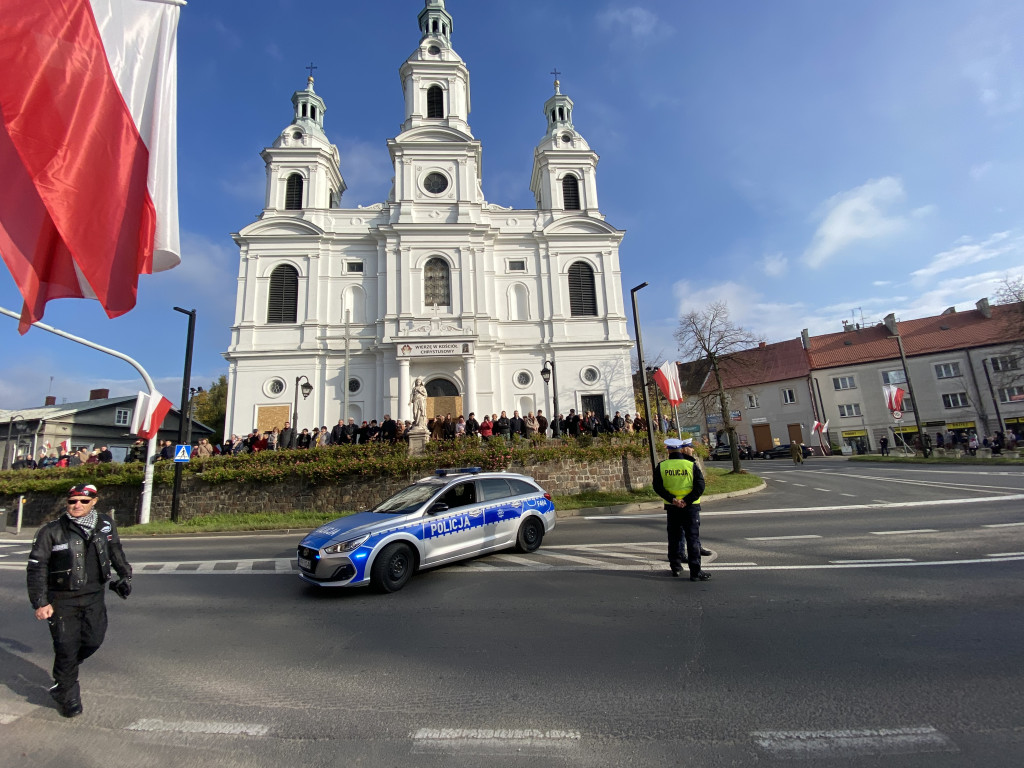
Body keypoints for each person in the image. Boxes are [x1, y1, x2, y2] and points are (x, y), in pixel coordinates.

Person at [27, 484, 132, 718]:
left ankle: (66, 672)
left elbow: (115, 550)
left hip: (95, 595)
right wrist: (40, 602)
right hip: (62, 599)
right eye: (73, 501)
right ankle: (67, 693)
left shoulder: (105, 524)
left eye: (84, 501)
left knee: (93, 640)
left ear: (94, 502)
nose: (77, 505)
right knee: (66, 647)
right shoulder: (51, 531)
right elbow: (37, 567)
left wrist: (125, 574)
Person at [653, 438, 710, 581]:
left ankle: (676, 567)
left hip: (672, 507)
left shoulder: (662, 466)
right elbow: (700, 486)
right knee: (692, 539)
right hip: (690, 507)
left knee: (674, 538)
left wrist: (673, 499)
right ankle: (695, 572)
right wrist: (686, 501)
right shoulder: (690, 465)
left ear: (668, 450)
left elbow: (658, 487)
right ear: (681, 449)